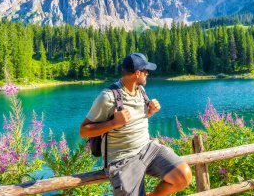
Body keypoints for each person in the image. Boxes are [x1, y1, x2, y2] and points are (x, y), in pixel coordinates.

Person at [80, 53, 192, 196]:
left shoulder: (141, 91)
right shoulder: (107, 97)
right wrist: (114, 123)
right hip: (122, 159)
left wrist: (150, 112)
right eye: (146, 71)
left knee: (183, 176)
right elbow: (83, 131)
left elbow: (136, 120)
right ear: (137, 73)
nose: (148, 74)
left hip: (148, 149)